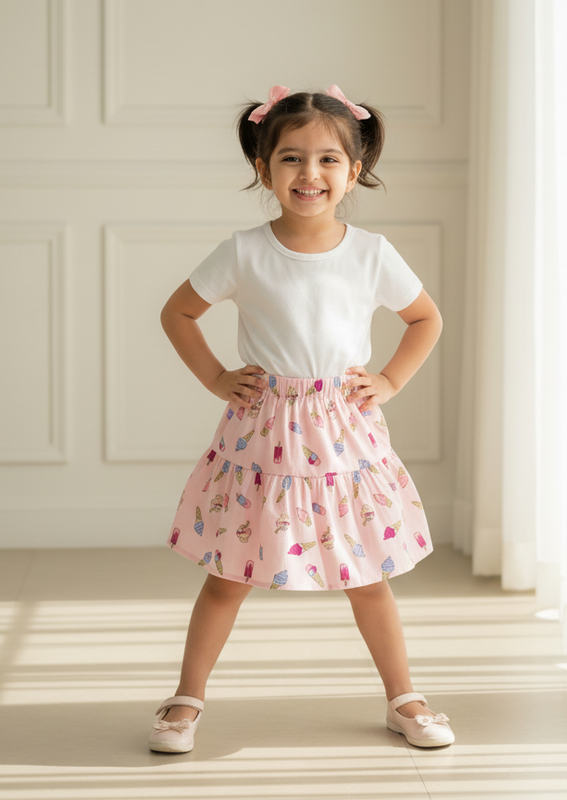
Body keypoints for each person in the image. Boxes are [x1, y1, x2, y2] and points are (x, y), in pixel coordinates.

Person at [149, 85, 452, 754]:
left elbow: (425, 318)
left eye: (327, 161)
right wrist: (219, 378)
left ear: (354, 170)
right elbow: (179, 313)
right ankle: (186, 697)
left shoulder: (371, 253)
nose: (309, 175)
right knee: (228, 576)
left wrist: (391, 378)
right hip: (264, 434)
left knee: (367, 576)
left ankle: (404, 696)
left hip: (342, 434)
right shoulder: (244, 250)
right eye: (290, 159)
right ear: (263, 168)